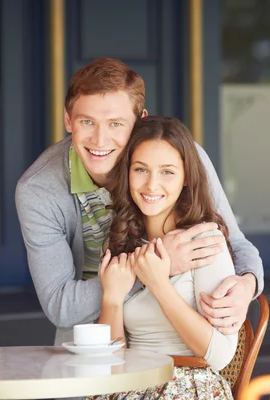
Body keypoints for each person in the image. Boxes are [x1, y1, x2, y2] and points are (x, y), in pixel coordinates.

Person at [15, 58, 264, 345]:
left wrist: (247, 285)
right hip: (93, 347)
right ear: (68, 120)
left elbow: (238, 245)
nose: (99, 140)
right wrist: (156, 264)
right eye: (87, 122)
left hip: (171, 338)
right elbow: (60, 307)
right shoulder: (38, 190)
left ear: (140, 121)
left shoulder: (180, 158)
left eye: (116, 124)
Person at [95, 116, 237, 399]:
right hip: (131, 386)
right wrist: (111, 298)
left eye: (168, 172)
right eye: (140, 169)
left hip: (187, 385)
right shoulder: (121, 244)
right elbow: (109, 365)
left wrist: (159, 284)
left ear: (186, 179)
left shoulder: (205, 243)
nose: (151, 184)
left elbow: (220, 356)